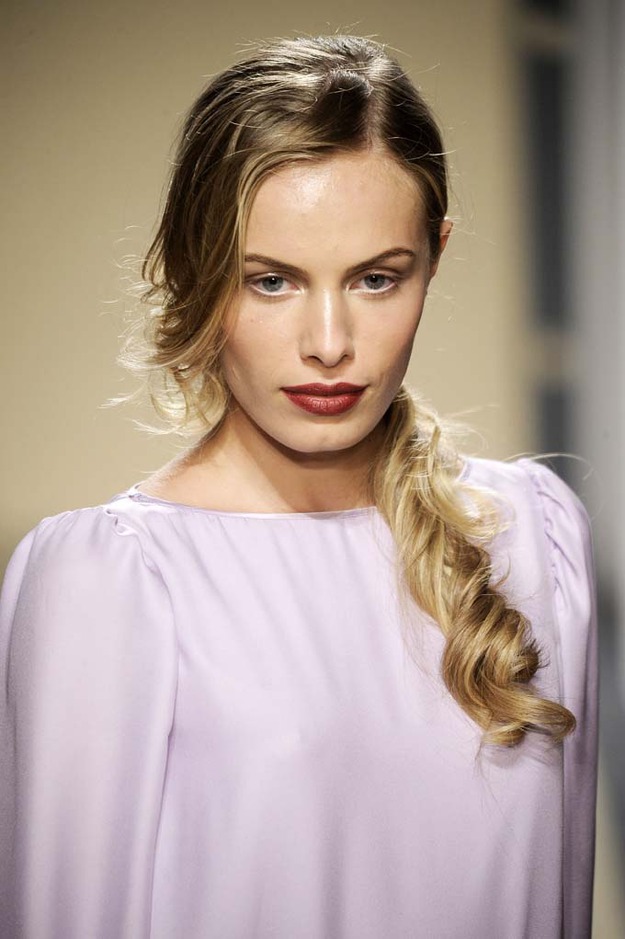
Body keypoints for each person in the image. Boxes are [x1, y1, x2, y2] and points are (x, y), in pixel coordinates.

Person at [0, 35, 597, 939]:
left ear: (434, 257)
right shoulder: (110, 582)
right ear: (198, 271)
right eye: (271, 280)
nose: (328, 342)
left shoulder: (533, 537)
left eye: (376, 278)